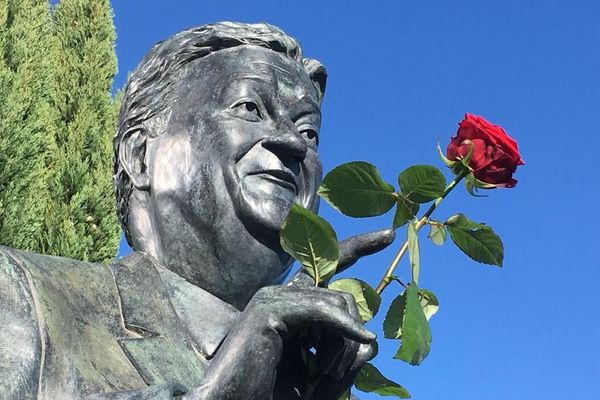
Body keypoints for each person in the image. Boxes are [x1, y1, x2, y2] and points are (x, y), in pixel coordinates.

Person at [0, 22, 394, 399]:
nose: (295, 142)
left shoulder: (306, 373)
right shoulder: (21, 295)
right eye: (249, 108)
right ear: (139, 155)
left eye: (309, 132)